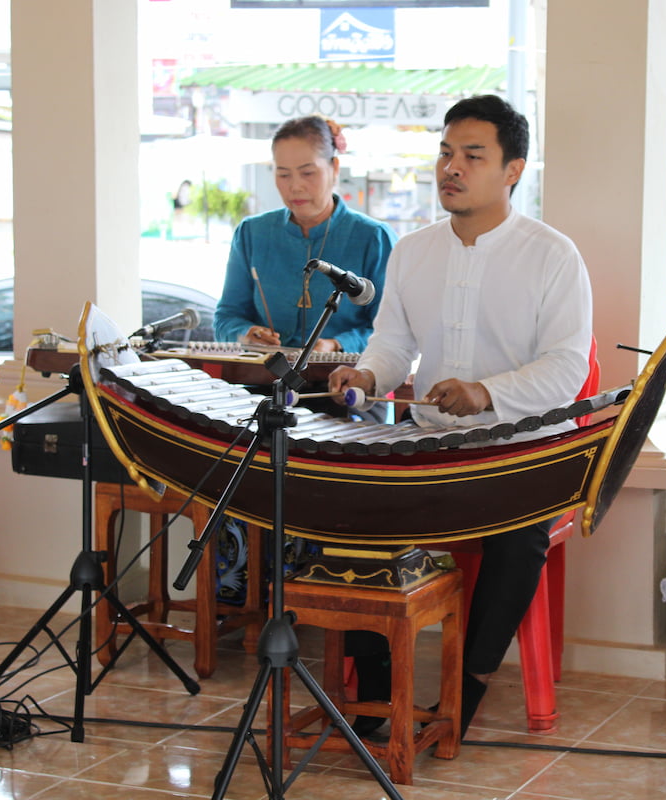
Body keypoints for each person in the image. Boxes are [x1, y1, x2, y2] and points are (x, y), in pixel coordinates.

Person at [328, 95, 593, 738]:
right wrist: (366, 375)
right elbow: (393, 345)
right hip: (434, 443)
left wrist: (487, 393)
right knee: (354, 510)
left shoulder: (553, 256)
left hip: (522, 448)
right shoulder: (414, 251)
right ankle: (377, 688)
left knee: (516, 535)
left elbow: (566, 368)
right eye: (446, 153)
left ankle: (462, 689)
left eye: (473, 156)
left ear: (512, 170)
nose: (452, 167)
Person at [214, 115, 396, 357]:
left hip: (343, 384)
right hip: (261, 383)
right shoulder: (252, 233)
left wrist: (337, 345)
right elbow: (225, 319)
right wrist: (247, 334)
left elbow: (393, 333)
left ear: (335, 168)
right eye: (283, 174)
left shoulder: (374, 238)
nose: (295, 186)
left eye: (307, 173)